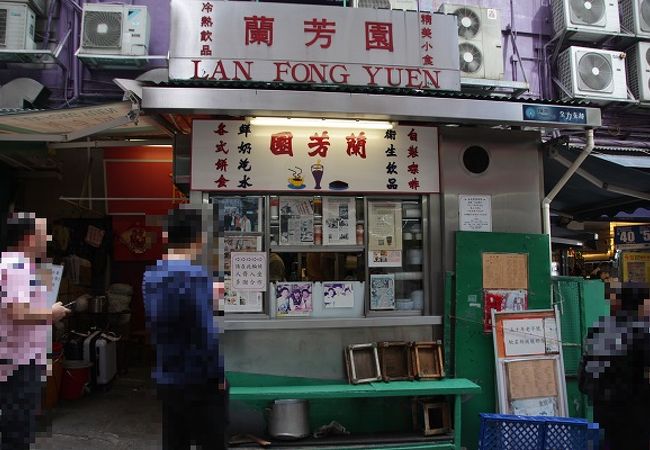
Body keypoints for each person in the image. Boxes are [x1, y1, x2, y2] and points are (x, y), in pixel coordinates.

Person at [143, 207, 227, 450]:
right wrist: (218, 375)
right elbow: (205, 333)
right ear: (199, 240)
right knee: (211, 442)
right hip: (199, 378)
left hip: (167, 374)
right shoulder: (196, 276)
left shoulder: (151, 276)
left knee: (174, 440)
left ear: (167, 237)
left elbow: (164, 318)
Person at [0, 212, 70, 450]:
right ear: (29, 238)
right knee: (17, 430)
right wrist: (51, 313)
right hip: (17, 363)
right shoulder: (16, 266)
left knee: (16, 426)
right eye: (43, 234)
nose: (47, 239)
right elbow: (17, 312)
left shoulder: (15, 265)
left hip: (15, 359)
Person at [579, 282, 650, 450]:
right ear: (642, 303)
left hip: (604, 410)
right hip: (637, 414)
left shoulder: (599, 329)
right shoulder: (644, 334)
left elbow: (589, 368)